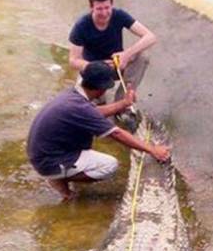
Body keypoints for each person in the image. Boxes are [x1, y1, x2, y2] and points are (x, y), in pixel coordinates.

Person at [26, 61, 170, 201]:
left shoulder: (72, 95)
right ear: (102, 89)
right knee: (109, 165)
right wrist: (152, 150)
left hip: (43, 156)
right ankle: (59, 177)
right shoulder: (79, 107)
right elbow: (116, 133)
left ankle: (61, 178)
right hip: (49, 161)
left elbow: (93, 112)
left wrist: (124, 103)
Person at [68, 0, 156, 104]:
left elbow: (150, 37)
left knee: (142, 57)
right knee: (84, 105)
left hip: (117, 66)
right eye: (99, 9)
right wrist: (98, 66)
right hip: (94, 71)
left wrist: (126, 55)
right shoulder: (81, 26)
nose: (104, 13)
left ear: (112, 5)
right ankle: (98, 96)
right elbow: (73, 61)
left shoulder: (119, 15)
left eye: (107, 7)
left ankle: (123, 102)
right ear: (91, 7)